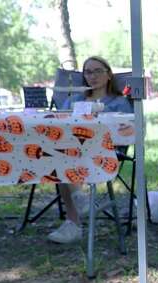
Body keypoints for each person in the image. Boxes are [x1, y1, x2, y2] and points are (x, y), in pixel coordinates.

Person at [49, 56, 133, 244]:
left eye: (97, 71)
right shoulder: (75, 99)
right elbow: (57, 122)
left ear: (108, 75)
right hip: (72, 149)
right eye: (88, 72)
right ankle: (78, 203)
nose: (92, 76)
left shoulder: (119, 101)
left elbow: (127, 130)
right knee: (61, 157)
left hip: (105, 151)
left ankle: (73, 221)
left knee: (63, 159)